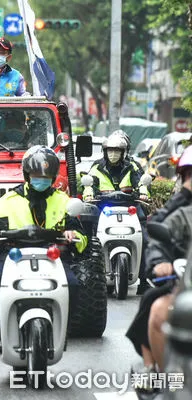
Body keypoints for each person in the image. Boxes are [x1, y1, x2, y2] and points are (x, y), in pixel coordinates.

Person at [0, 146, 87, 346]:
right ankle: (1, 328)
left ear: (53, 177)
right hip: (13, 254)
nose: (41, 179)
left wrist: (73, 235)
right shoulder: (9, 200)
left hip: (52, 255)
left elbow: (79, 232)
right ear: (27, 175)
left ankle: (63, 331)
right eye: (36, 175)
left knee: (73, 284)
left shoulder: (63, 200)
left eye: (46, 176)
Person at [126, 147, 192, 387]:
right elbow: (158, 232)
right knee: (155, 308)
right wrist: (160, 263)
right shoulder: (180, 211)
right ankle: (157, 372)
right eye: (191, 175)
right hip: (184, 283)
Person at [83, 131, 151, 294]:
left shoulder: (133, 166)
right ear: (105, 152)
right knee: (88, 239)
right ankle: (90, 276)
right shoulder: (97, 167)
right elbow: (88, 185)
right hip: (104, 209)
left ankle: (145, 279)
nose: (113, 154)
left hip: (130, 209)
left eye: (117, 151)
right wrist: (89, 195)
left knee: (146, 239)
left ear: (124, 152)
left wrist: (143, 193)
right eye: (110, 150)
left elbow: (141, 182)